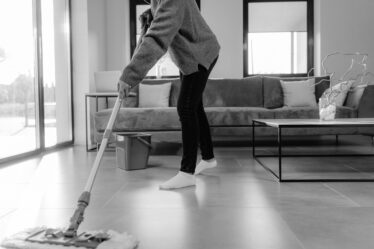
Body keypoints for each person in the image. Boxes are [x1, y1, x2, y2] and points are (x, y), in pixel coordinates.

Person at [118, 0, 220, 190]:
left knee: (186, 107)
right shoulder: (158, 3)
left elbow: (156, 39)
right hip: (190, 57)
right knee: (194, 106)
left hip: (200, 53)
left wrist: (130, 75)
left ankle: (186, 173)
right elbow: (148, 38)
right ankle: (208, 158)